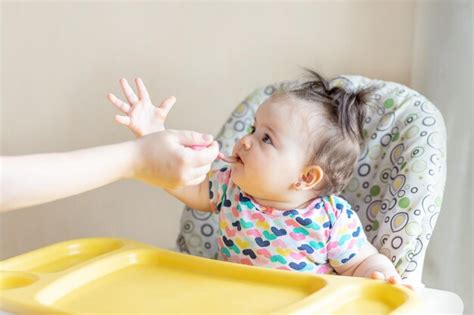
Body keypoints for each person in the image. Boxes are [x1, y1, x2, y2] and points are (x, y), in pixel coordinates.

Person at [107, 72, 414, 289]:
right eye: (253, 129)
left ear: (305, 177)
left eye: (266, 138)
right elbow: (182, 181)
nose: (246, 140)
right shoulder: (230, 187)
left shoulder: (331, 219)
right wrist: (153, 138)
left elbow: (361, 263)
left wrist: (382, 278)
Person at [0, 129, 219, 213]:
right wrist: (147, 153)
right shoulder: (228, 191)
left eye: (256, 139)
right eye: (251, 130)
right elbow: (194, 190)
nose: (245, 141)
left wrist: (145, 157)